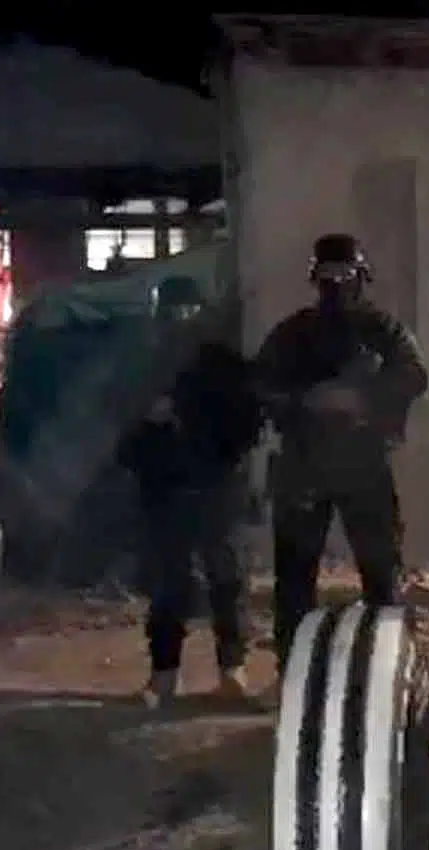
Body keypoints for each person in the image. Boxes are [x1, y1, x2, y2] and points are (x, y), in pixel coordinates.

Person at [255, 233, 429, 670]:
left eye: (345, 273)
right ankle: (293, 672)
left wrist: (362, 397)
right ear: (316, 277)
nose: (336, 283)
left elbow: (414, 375)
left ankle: (386, 671)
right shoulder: (295, 332)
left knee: (381, 574)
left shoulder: (383, 330)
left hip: (363, 461)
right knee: (295, 579)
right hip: (305, 463)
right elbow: (260, 383)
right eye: (328, 274)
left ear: (361, 276)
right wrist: (305, 399)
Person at [115, 276, 264, 708]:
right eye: (172, 312)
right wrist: (149, 424)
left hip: (217, 487)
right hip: (166, 491)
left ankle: (232, 671)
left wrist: (200, 427)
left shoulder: (223, 365)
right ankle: (164, 676)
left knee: (227, 580)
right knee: (168, 585)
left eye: (187, 311)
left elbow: (248, 424)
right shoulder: (145, 367)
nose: (180, 320)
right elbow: (122, 438)